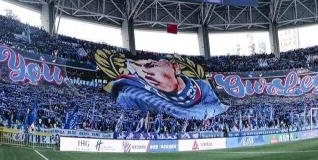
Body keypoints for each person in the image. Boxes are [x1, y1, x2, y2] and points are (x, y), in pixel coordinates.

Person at [95, 50, 228, 120]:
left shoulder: (203, 89)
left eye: (150, 65)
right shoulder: (140, 95)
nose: (146, 73)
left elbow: (216, 108)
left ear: (175, 67)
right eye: (140, 72)